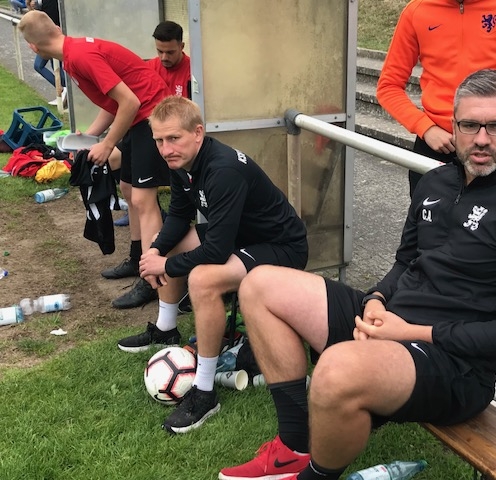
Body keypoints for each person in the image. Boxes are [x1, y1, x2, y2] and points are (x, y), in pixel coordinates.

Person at [219, 70, 496, 480]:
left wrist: (409, 332)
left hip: (456, 366)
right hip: (393, 322)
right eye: (469, 125)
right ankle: (294, 448)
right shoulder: (435, 182)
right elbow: (406, 262)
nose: (481, 139)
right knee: (259, 283)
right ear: (453, 126)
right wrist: (376, 299)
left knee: (335, 371)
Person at [376, 0, 496, 404]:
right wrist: (425, 127)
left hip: (490, 144)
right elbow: (389, 85)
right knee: (431, 248)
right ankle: (427, 331)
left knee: (495, 249)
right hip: (435, 144)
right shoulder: (417, 11)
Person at [116, 96, 309, 435]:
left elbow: (217, 252)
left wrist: (166, 265)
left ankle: (204, 391)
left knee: (203, 280)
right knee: (170, 240)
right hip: (240, 238)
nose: (165, 149)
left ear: (198, 133)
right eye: (159, 140)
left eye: (173, 138)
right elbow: (179, 215)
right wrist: (157, 251)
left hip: (281, 247)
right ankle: (166, 328)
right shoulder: (181, 162)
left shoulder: (223, 170)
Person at [19, 10, 172, 309]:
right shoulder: (72, 55)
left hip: (153, 117)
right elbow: (114, 101)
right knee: (128, 189)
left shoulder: (79, 56)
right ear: (57, 28)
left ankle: (153, 279)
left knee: (143, 200)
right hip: (138, 118)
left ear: (33, 47)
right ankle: (137, 258)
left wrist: (108, 143)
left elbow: (130, 102)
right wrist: (89, 137)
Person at [103, 20, 191, 268]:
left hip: (172, 138)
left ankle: (152, 222)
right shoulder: (148, 68)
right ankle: (143, 216)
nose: (164, 57)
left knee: (143, 196)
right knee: (113, 159)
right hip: (145, 131)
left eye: (170, 52)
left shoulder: (193, 72)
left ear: (182, 46)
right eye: (159, 51)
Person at [27, 0, 66, 104]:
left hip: (52, 37)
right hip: (49, 36)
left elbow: (50, 18)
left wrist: (36, 8)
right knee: (48, 66)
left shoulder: (51, 3)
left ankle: (64, 90)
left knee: (44, 66)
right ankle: (63, 90)